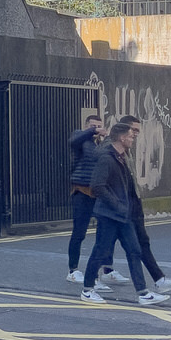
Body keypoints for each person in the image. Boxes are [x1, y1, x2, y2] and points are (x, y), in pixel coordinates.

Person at [79, 121, 168, 305]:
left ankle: (143, 293)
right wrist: (117, 204)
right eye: (130, 136)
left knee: (134, 250)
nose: (132, 139)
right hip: (108, 214)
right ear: (121, 138)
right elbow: (97, 186)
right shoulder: (106, 158)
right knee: (101, 251)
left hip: (123, 214)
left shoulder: (121, 157)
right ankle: (87, 290)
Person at [116, 114, 171, 292]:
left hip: (133, 203)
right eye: (134, 130)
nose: (136, 134)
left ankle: (158, 280)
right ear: (124, 130)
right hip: (119, 207)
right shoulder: (111, 149)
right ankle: (91, 284)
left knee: (140, 243)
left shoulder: (126, 148)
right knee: (110, 246)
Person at [66, 116, 113, 291]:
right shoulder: (80, 137)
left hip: (98, 193)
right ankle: (73, 270)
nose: (96, 129)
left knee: (106, 231)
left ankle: (107, 269)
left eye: (99, 126)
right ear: (86, 126)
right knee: (79, 232)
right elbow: (74, 140)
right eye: (93, 126)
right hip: (81, 191)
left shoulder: (102, 143)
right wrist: (92, 132)